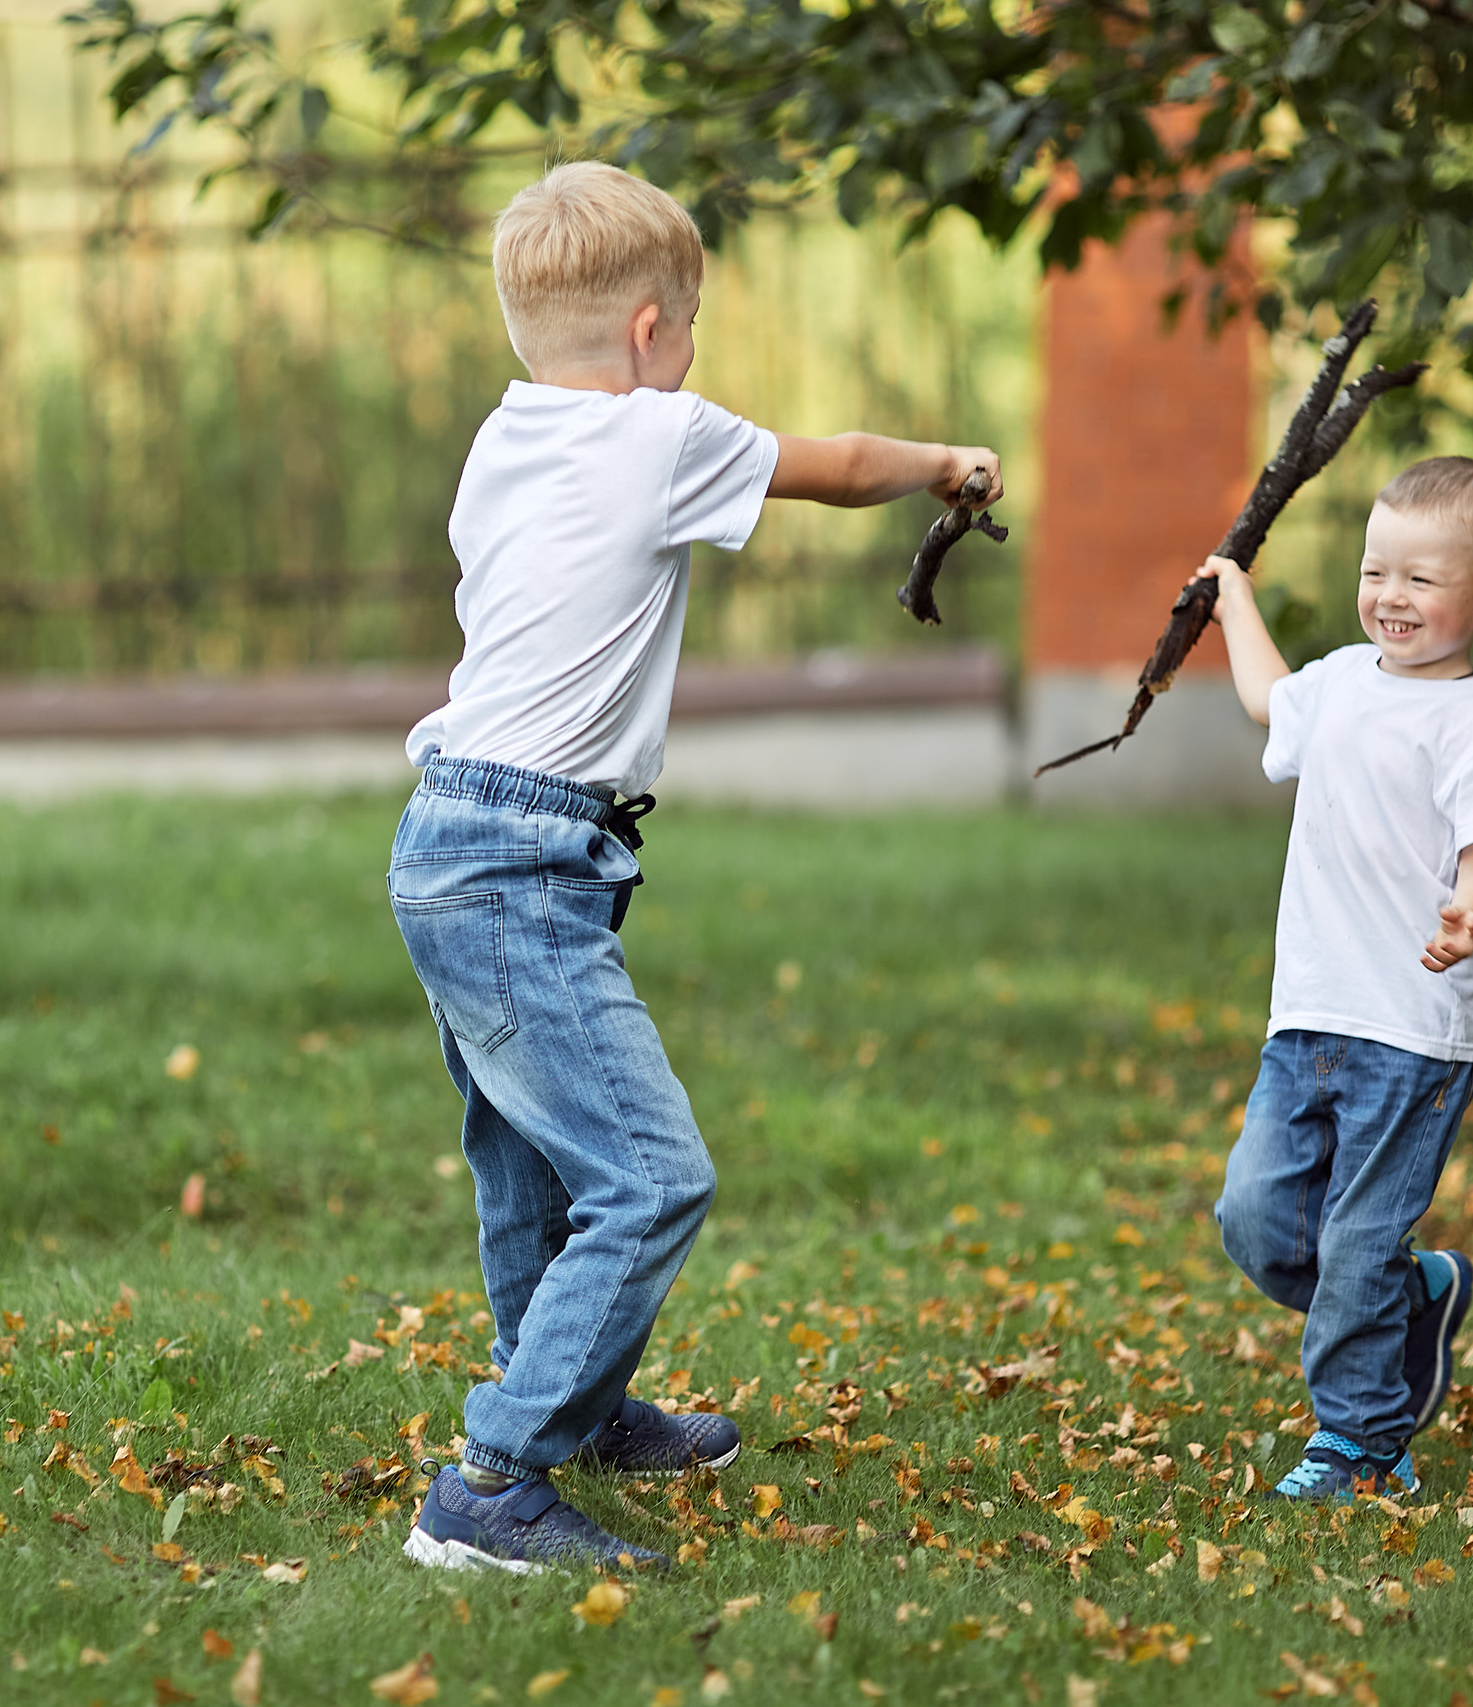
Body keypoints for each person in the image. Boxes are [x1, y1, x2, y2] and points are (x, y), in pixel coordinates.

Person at [391, 161, 1002, 1572]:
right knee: (653, 1174)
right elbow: (838, 467)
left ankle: (581, 1408)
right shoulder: (654, 436)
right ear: (656, 329)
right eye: (696, 332)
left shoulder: (506, 439)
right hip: (520, 860)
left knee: (533, 1167)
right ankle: (489, 1484)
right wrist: (945, 464)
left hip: (455, 842)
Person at [1196, 455, 1473, 1501]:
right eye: (1376, 571)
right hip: (1308, 1015)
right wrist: (1235, 600)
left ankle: (1363, 1446)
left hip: (1415, 1029)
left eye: (1421, 580)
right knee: (1254, 1220)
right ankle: (1413, 1292)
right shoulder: (1340, 679)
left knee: (1353, 1243)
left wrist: (1470, 913)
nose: (1390, 595)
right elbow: (1266, 703)